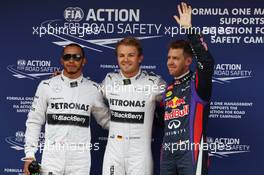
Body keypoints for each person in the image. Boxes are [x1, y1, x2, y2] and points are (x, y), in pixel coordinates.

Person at [23, 43, 110, 175]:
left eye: (76, 57)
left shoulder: (93, 89)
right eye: (67, 56)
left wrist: (134, 126)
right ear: (61, 60)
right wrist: (30, 155)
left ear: (84, 61)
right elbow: (34, 121)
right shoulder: (46, 86)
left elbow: (105, 120)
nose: (71, 60)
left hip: (80, 161)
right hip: (52, 158)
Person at [160, 2, 214, 175]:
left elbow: (206, 62)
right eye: (169, 58)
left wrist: (189, 29)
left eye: (176, 58)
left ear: (188, 61)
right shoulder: (167, 90)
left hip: (192, 152)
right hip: (167, 154)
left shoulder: (197, 83)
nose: (170, 62)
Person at [101, 37, 166, 175]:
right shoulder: (109, 80)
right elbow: (88, 99)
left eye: (131, 55)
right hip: (113, 152)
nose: (126, 59)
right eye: (121, 55)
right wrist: (107, 123)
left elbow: (177, 99)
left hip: (140, 155)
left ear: (140, 58)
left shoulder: (154, 83)